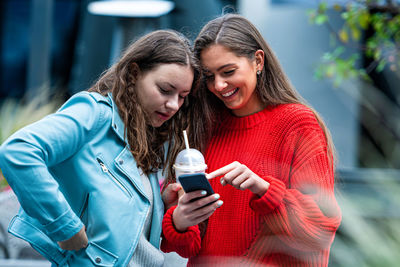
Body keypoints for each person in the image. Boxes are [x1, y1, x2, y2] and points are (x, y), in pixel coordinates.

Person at [0, 30, 199, 267]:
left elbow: (131, 238)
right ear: (134, 73)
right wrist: (65, 227)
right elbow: (18, 151)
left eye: (182, 96)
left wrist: (160, 206)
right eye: (165, 90)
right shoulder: (94, 113)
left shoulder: (147, 138)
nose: (174, 104)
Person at [161, 14, 342, 266]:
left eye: (228, 71)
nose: (219, 85)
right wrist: (179, 219)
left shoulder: (298, 124)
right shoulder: (203, 127)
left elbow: (320, 231)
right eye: (209, 76)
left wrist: (264, 189)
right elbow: (189, 246)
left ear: (258, 61)